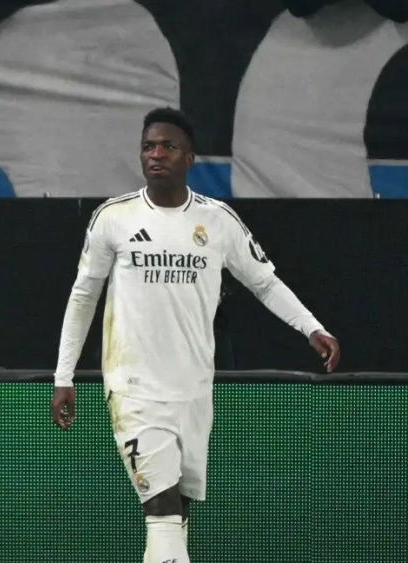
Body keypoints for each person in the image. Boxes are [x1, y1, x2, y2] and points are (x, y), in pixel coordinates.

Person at [50, 107, 341, 563]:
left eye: (168, 146)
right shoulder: (114, 218)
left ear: (189, 158)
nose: (156, 154)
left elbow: (263, 281)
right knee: (161, 509)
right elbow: (83, 296)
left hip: (193, 388)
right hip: (134, 387)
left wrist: (311, 327)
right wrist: (63, 375)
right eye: (149, 146)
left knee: (178, 511)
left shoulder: (218, 221)